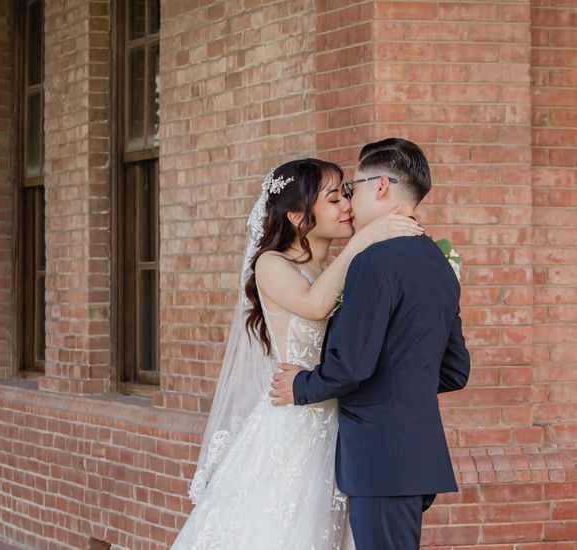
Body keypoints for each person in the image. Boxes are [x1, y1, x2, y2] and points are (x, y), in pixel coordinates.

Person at [172, 158, 423, 549]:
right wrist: (365, 239)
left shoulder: (351, 267)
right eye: (334, 199)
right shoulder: (272, 264)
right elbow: (314, 305)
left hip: (348, 420)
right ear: (296, 215)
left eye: (346, 196)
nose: (347, 207)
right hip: (295, 424)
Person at [270, 138, 471, 550]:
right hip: (414, 457)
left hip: (381, 460)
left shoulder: (374, 260)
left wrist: (300, 386)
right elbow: (454, 371)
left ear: (380, 186)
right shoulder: (439, 262)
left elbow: (352, 366)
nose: (349, 200)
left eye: (354, 188)